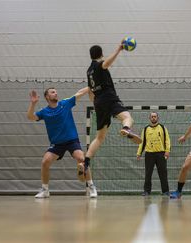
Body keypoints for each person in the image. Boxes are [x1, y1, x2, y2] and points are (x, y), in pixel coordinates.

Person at [27, 86, 97, 198]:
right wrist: (33, 103)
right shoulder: (44, 112)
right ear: (47, 96)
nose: (55, 93)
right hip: (57, 144)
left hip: (71, 140)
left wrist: (90, 85)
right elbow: (30, 116)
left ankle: (91, 186)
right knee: (45, 162)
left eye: (56, 92)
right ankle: (45, 190)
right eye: (52, 92)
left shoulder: (65, 103)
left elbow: (79, 93)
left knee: (82, 159)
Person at [84, 41, 142, 172]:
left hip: (98, 102)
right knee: (127, 117)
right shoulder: (100, 65)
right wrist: (119, 49)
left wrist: (95, 103)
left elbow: (89, 90)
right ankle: (126, 129)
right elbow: (106, 64)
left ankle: (86, 162)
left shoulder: (89, 71)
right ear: (101, 54)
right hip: (108, 97)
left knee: (99, 137)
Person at [137, 112, 171, 196]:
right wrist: (139, 153)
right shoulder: (145, 129)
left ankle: (165, 191)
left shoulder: (162, 128)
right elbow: (142, 142)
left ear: (157, 118)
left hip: (161, 154)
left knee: (163, 173)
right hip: (149, 154)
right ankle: (146, 191)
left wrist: (167, 151)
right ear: (150, 118)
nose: (153, 118)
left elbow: (167, 140)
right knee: (148, 173)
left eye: (155, 116)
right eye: (152, 117)